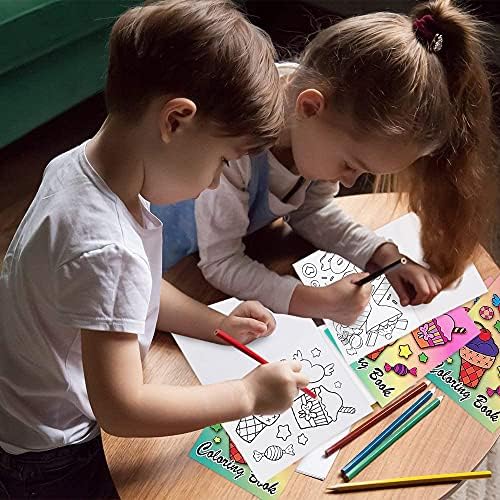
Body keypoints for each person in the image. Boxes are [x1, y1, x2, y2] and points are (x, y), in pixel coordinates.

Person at [0, 1, 310, 497]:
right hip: (50, 453)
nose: (215, 183)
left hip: (19, 402)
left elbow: (132, 288)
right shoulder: (106, 246)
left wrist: (215, 323)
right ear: (175, 120)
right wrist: (247, 395)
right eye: (222, 160)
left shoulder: (81, 167)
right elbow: (123, 410)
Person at [152, 0, 496, 325]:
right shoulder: (237, 146)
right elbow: (221, 261)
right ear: (310, 107)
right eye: (351, 164)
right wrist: (313, 300)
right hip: (162, 261)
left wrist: (382, 255)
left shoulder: (314, 130)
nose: (348, 182)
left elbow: (310, 210)